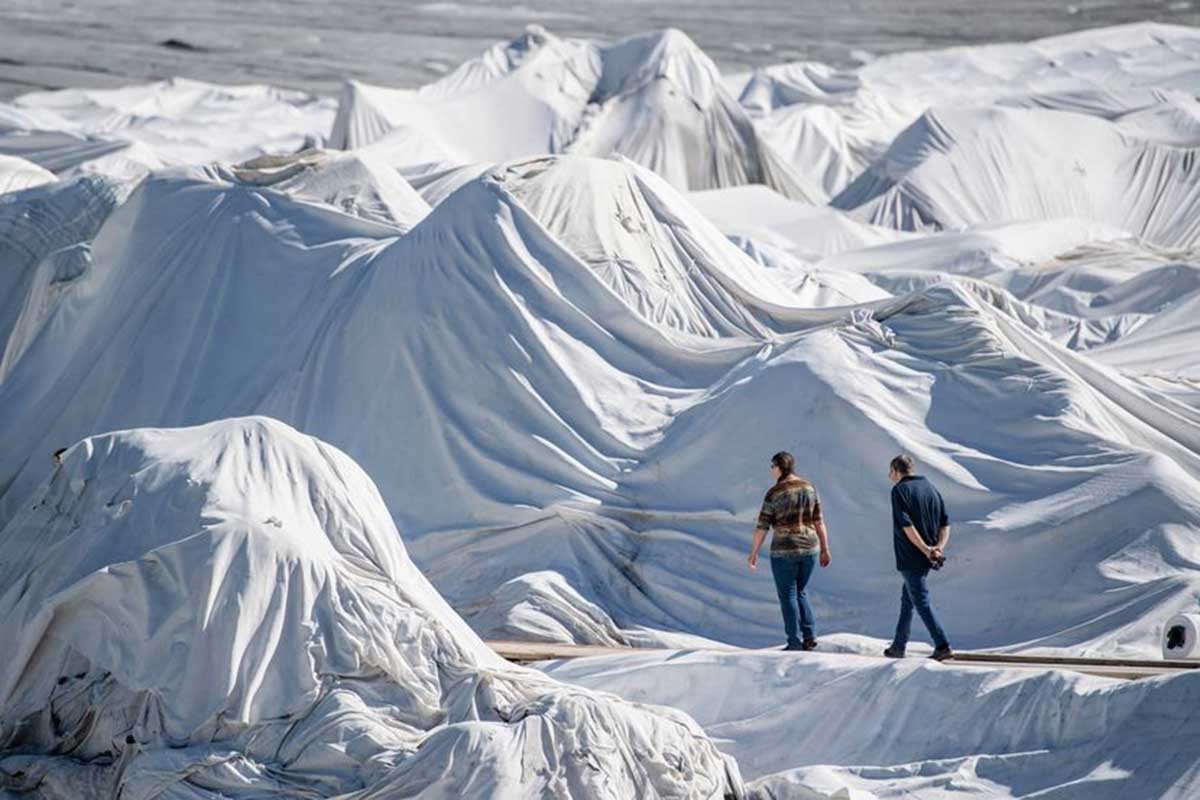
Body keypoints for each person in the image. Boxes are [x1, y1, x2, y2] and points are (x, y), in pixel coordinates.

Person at [748, 451, 832, 651]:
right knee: (801, 591)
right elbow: (819, 521)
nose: (771, 470)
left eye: (772, 466)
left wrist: (754, 553)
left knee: (788, 596)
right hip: (810, 548)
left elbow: (762, 526)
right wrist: (825, 549)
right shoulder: (809, 488)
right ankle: (810, 636)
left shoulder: (774, 493)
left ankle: (794, 641)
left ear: (779, 467)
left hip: (784, 549)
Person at [884, 454, 953, 661]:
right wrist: (937, 548)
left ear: (896, 470)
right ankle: (898, 645)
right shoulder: (930, 488)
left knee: (920, 600)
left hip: (911, 556)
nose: (889, 477)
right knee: (908, 599)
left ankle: (942, 644)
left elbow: (906, 525)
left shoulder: (899, 491)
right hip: (928, 555)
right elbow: (945, 523)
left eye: (890, 472)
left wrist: (924, 549)